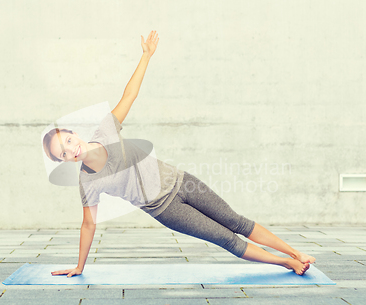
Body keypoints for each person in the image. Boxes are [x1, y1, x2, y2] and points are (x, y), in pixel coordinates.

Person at [44, 31, 316, 278]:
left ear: (74, 133)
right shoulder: (88, 182)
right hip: (165, 208)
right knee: (226, 239)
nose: (71, 148)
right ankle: (286, 263)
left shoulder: (106, 130)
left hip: (183, 181)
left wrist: (146, 56)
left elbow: (129, 95)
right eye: (63, 152)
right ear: (64, 160)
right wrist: (80, 266)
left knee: (236, 221)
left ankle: (296, 253)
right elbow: (88, 225)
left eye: (68, 140)